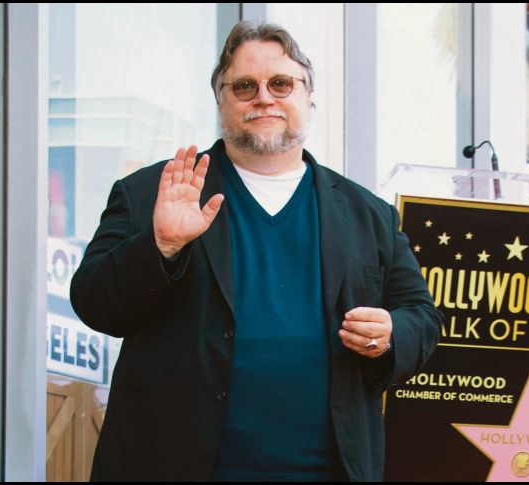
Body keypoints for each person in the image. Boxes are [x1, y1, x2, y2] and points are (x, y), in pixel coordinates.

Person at [70, 20, 442, 482]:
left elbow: (421, 317)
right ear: (221, 100)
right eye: (245, 86)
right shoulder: (153, 193)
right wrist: (160, 245)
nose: (264, 97)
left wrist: (390, 334)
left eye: (281, 83)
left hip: (327, 470)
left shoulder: (369, 215)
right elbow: (93, 303)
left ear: (308, 96)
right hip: (174, 466)